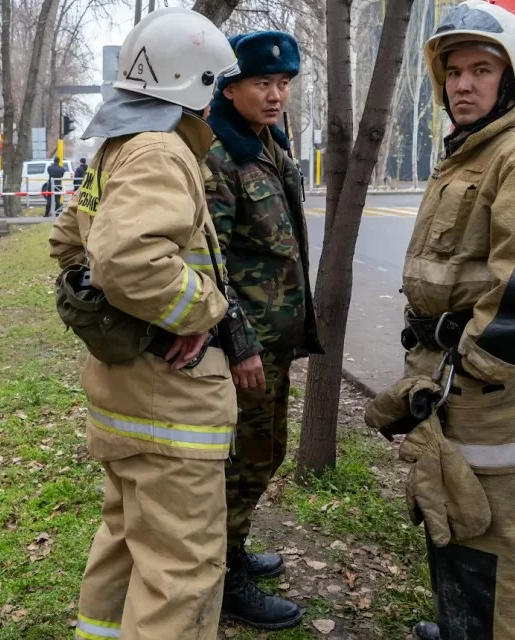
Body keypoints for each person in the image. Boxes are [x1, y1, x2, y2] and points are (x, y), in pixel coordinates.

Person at [366, 0, 515, 640]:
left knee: (497, 549)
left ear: (512, 76)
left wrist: (465, 370)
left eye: (481, 70)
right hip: (462, 395)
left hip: (501, 401)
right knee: (457, 522)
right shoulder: (470, 153)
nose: (462, 84)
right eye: (454, 72)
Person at [49, 6, 242, 640]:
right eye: (216, 86)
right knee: (180, 568)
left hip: (125, 396)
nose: (217, 106)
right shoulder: (161, 151)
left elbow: (69, 246)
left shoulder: (116, 147)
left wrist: (119, 319)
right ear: (195, 83)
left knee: (125, 544)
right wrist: (201, 312)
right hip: (171, 403)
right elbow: (129, 260)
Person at [203, 31, 323, 630]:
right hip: (246, 348)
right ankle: (222, 579)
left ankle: (234, 549)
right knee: (244, 459)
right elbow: (211, 260)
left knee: (266, 451)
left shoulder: (267, 143)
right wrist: (237, 341)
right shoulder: (219, 155)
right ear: (231, 86)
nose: (276, 96)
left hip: (275, 343)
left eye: (283, 85)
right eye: (262, 84)